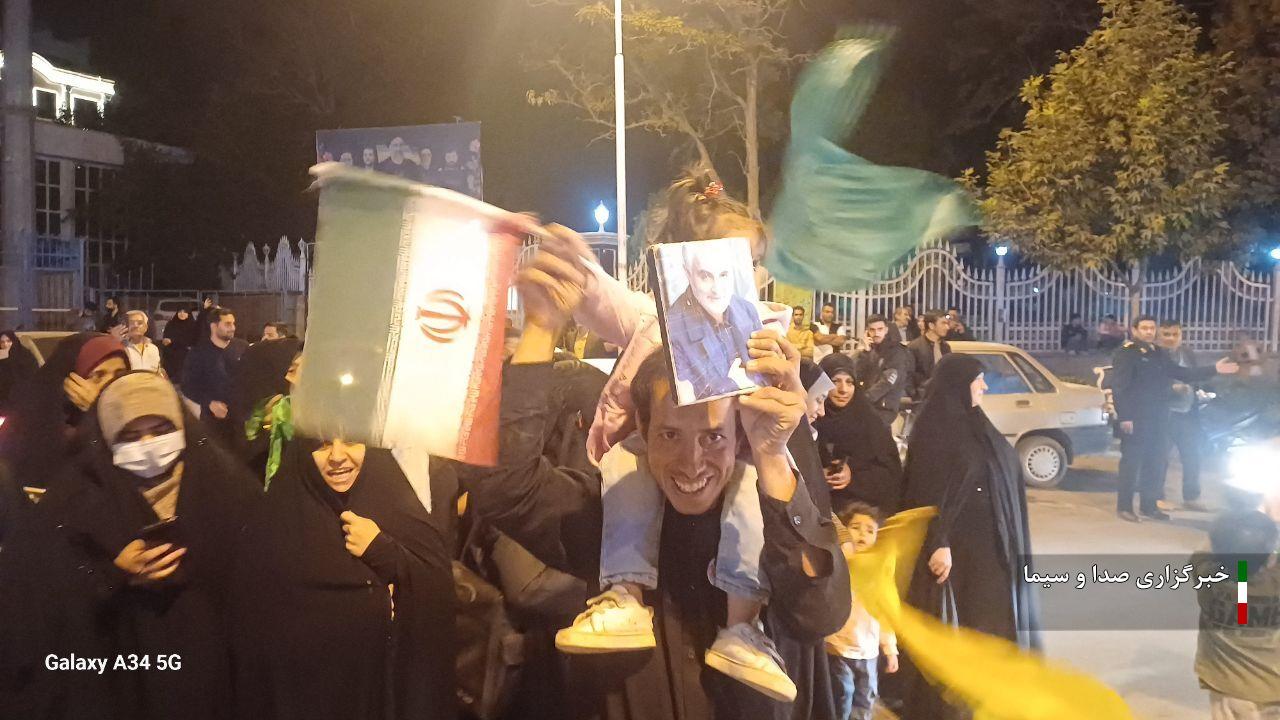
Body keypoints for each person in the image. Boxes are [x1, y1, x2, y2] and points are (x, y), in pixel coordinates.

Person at [463, 246, 850, 719]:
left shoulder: (772, 519)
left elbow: (820, 612)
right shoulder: (608, 512)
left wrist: (771, 454)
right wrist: (541, 330)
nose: (691, 463)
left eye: (712, 437)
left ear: (739, 436)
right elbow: (504, 487)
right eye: (670, 435)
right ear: (642, 432)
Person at [25, 372, 261, 719]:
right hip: (121, 673)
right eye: (130, 436)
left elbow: (262, 581)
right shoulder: (74, 498)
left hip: (214, 675)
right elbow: (37, 597)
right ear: (107, 440)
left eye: (162, 430)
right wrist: (111, 574)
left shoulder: (228, 486)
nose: (148, 444)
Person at [231, 438, 456, 720]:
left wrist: (382, 551)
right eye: (322, 445)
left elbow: (438, 591)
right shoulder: (276, 523)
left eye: (351, 441)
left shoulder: (395, 501)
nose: (337, 456)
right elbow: (256, 627)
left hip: (378, 699)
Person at [895, 354, 1040, 720]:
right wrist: (938, 542)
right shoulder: (935, 429)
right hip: (956, 552)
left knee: (992, 619)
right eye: (978, 379)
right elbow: (924, 493)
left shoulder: (975, 423)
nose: (984, 386)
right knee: (964, 622)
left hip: (990, 546)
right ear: (959, 383)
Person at [1111, 316, 1236, 522]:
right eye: (1144, 328)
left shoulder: (1158, 353)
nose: (1149, 332)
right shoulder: (1127, 353)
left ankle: (1149, 506)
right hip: (1136, 418)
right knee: (1131, 464)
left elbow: (1182, 373)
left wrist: (1214, 369)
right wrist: (1125, 416)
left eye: (1152, 328)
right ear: (1134, 330)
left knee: (1155, 462)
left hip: (1159, 417)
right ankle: (1124, 507)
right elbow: (1120, 387)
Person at [0, 333, 129, 489]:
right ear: (68, 380)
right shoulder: (40, 427)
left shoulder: (134, 418)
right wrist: (96, 414)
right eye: (97, 376)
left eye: (120, 375)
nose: (110, 383)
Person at [1193, 511, 1280, 720]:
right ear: (1270, 559)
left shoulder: (1205, 574)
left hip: (1226, 684)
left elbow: (1206, 548)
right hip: (1273, 684)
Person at [665, 239, 764, 403]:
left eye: (723, 275)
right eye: (705, 276)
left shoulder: (747, 310)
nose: (717, 289)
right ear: (688, 274)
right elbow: (689, 403)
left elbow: (765, 377)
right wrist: (735, 383)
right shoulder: (672, 328)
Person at [826, 502, 897, 720]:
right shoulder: (838, 566)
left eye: (870, 530)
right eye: (855, 527)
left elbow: (885, 614)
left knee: (866, 698)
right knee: (842, 695)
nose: (862, 534)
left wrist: (890, 649)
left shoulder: (878, 574)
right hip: (838, 647)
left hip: (868, 652)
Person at [816, 353, 904, 516]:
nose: (843, 390)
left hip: (860, 512)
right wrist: (815, 474)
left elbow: (890, 475)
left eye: (849, 382)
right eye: (835, 381)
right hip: (816, 510)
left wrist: (852, 477)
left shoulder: (869, 421)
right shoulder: (811, 418)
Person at [229, 337, 303, 483]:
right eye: (291, 370)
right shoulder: (247, 425)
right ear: (264, 376)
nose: (301, 378)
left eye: (305, 368)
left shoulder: (311, 413)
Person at [1157, 320, 1207, 511]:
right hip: (1165, 414)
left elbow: (1194, 376)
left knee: (1192, 456)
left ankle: (1191, 497)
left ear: (1181, 335)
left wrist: (1200, 391)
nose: (1171, 338)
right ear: (1159, 336)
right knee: (1160, 457)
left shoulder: (1187, 353)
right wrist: (1172, 388)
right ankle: (1156, 496)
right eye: (1166, 334)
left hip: (1188, 413)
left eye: (1175, 334)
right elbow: (1148, 384)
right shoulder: (1155, 356)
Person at [182, 308, 241, 438]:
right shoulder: (198, 353)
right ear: (214, 326)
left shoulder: (242, 347)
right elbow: (187, 386)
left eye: (233, 323)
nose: (233, 328)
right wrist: (210, 403)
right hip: (213, 421)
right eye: (227, 324)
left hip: (242, 419)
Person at [853, 314, 912, 428]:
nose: (876, 333)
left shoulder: (896, 351)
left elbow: (888, 381)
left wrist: (865, 399)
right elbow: (856, 374)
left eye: (880, 329)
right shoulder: (870, 350)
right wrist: (864, 352)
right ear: (867, 332)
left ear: (886, 330)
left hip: (885, 407)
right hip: (869, 405)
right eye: (872, 330)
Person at [906, 311, 951, 401]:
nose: (947, 327)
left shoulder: (945, 347)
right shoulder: (914, 347)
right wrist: (915, 395)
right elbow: (908, 375)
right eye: (943, 323)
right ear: (931, 326)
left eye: (947, 324)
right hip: (923, 397)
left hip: (943, 396)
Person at [0, 331, 38, 415]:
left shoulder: (25, 356)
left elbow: (30, 379)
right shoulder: (2, 358)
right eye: (2, 342)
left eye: (9, 341)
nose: (5, 344)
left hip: (21, 402)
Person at [161, 305, 199, 381]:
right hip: (172, 350)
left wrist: (173, 341)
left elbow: (191, 340)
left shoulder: (193, 325)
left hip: (186, 350)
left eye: (185, 312)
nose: (182, 314)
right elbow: (166, 337)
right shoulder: (171, 324)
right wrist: (166, 341)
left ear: (188, 314)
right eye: (180, 311)